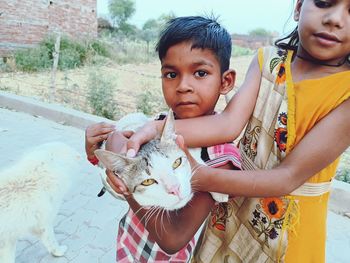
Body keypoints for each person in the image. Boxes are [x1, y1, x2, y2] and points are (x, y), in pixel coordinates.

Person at [106, 0, 350, 262]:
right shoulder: (268, 60)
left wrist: (197, 175)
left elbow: (287, 178)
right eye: (324, 2)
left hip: (290, 228)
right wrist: (151, 129)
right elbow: (228, 124)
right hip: (234, 211)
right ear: (299, 6)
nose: (335, 19)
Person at [85, 16, 242, 262]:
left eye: (200, 73)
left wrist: (128, 179)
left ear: (225, 81)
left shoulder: (220, 156)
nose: (183, 86)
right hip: (130, 244)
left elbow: (173, 239)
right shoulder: (158, 124)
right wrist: (98, 152)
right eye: (171, 74)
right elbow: (118, 168)